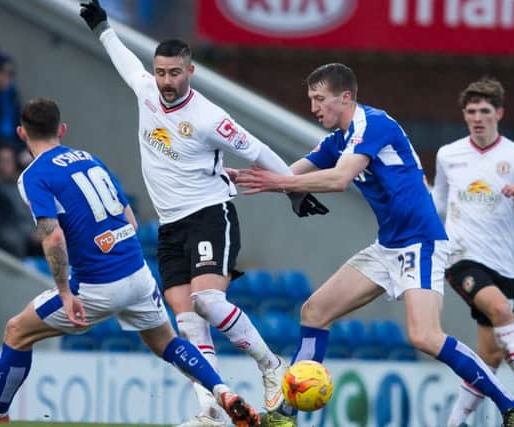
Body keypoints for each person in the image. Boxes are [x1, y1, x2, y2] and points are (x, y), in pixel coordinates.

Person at [78, 2, 327, 427]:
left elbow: (259, 150)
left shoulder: (211, 117)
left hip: (210, 214)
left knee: (208, 301)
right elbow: (124, 61)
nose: (166, 81)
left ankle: (270, 365)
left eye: (175, 73)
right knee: (188, 322)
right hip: (170, 225)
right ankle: (211, 406)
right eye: (160, 73)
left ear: (189, 72)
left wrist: (292, 189)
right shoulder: (146, 91)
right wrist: (102, 26)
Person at [235, 63, 514, 427]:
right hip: (387, 247)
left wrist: (276, 184)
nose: (314, 108)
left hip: (420, 242)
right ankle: (286, 415)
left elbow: (339, 179)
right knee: (314, 311)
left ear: (346, 97)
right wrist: (236, 178)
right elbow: (290, 171)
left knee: (425, 336)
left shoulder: (374, 124)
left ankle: (511, 405)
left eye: (319, 99)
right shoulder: (339, 138)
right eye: (311, 100)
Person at [0, 98, 260, 427]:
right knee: (169, 343)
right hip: (138, 273)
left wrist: (66, 294)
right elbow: (132, 220)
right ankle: (223, 392)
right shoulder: (90, 160)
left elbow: (53, 237)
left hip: (95, 286)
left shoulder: (33, 176)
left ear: (21, 133)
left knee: (16, 331)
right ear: (62, 130)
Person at [432, 78, 514, 427]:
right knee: (500, 310)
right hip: (460, 256)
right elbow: (437, 200)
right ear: (465, 115)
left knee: (489, 356)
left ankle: (454, 423)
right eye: (471, 112)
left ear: (499, 113)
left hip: (503, 262)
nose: (478, 118)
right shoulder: (449, 155)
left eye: (485, 111)